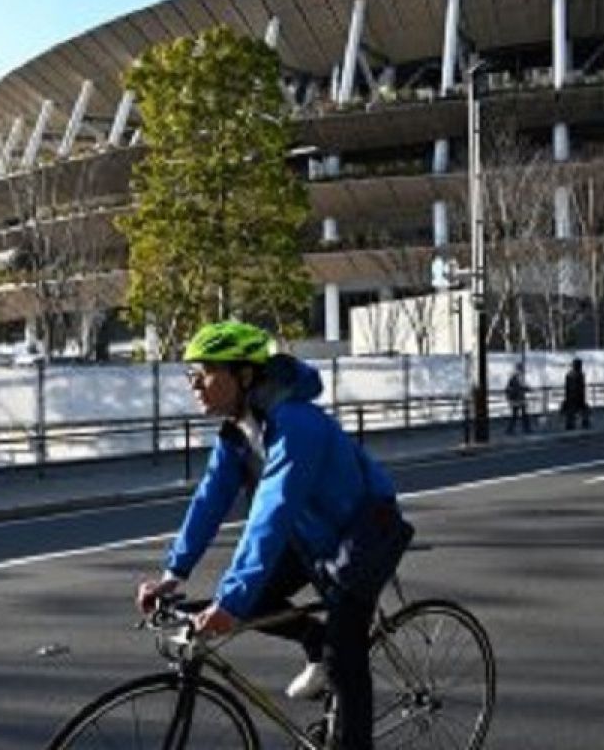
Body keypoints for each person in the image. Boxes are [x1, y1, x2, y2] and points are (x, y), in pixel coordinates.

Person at [135, 321, 403, 750]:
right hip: (314, 538)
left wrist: (231, 599)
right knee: (253, 602)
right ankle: (315, 641)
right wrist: (174, 572)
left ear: (242, 375)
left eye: (203, 373)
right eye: (190, 376)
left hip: (365, 531)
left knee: (345, 657)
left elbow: (271, 511)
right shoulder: (237, 431)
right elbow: (209, 501)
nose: (194, 385)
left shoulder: (296, 424)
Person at [561, 357, 591, 430]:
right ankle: (583, 423)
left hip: (571, 397)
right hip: (577, 398)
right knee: (583, 409)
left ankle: (570, 424)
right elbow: (581, 388)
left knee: (574, 411)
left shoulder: (569, 375)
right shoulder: (579, 375)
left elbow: (567, 388)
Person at [504, 362, 532, 434]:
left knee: (520, 414)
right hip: (517, 399)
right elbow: (516, 388)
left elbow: (521, 387)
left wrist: (526, 389)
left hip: (519, 399)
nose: (522, 372)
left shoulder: (517, 378)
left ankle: (523, 428)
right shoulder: (515, 378)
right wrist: (525, 389)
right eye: (521, 370)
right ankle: (512, 429)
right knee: (517, 415)